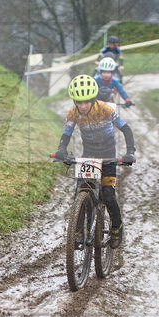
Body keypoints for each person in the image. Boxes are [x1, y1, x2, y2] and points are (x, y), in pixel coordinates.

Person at [55, 75, 137, 248]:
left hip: (108, 154)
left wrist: (130, 152)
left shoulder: (105, 109)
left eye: (86, 102)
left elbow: (126, 129)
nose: (83, 106)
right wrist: (61, 150)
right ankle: (78, 231)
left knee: (108, 195)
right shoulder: (73, 113)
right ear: (75, 101)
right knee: (81, 190)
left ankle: (116, 227)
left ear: (93, 100)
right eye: (79, 102)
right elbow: (66, 133)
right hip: (89, 154)